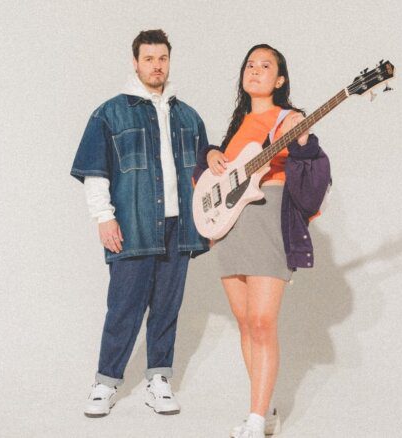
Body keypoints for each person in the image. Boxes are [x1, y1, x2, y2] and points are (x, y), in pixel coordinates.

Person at [193, 44, 331, 438]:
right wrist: (211, 154)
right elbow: (220, 176)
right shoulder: (239, 124)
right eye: (250, 65)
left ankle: (254, 421)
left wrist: (303, 141)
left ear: (280, 79)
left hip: (269, 215)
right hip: (231, 226)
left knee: (262, 321)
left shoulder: (289, 118)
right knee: (244, 323)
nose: (255, 70)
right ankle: (265, 410)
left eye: (265, 65)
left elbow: (313, 171)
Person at [71, 29, 209, 418]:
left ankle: (159, 379)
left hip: (179, 228)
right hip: (133, 225)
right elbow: (95, 172)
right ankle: (105, 382)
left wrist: (208, 224)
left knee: (167, 307)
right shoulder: (110, 113)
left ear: (169, 61)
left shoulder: (188, 116)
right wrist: (104, 217)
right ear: (135, 63)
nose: (156, 65)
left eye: (162, 58)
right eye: (148, 59)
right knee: (124, 307)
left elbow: (205, 179)